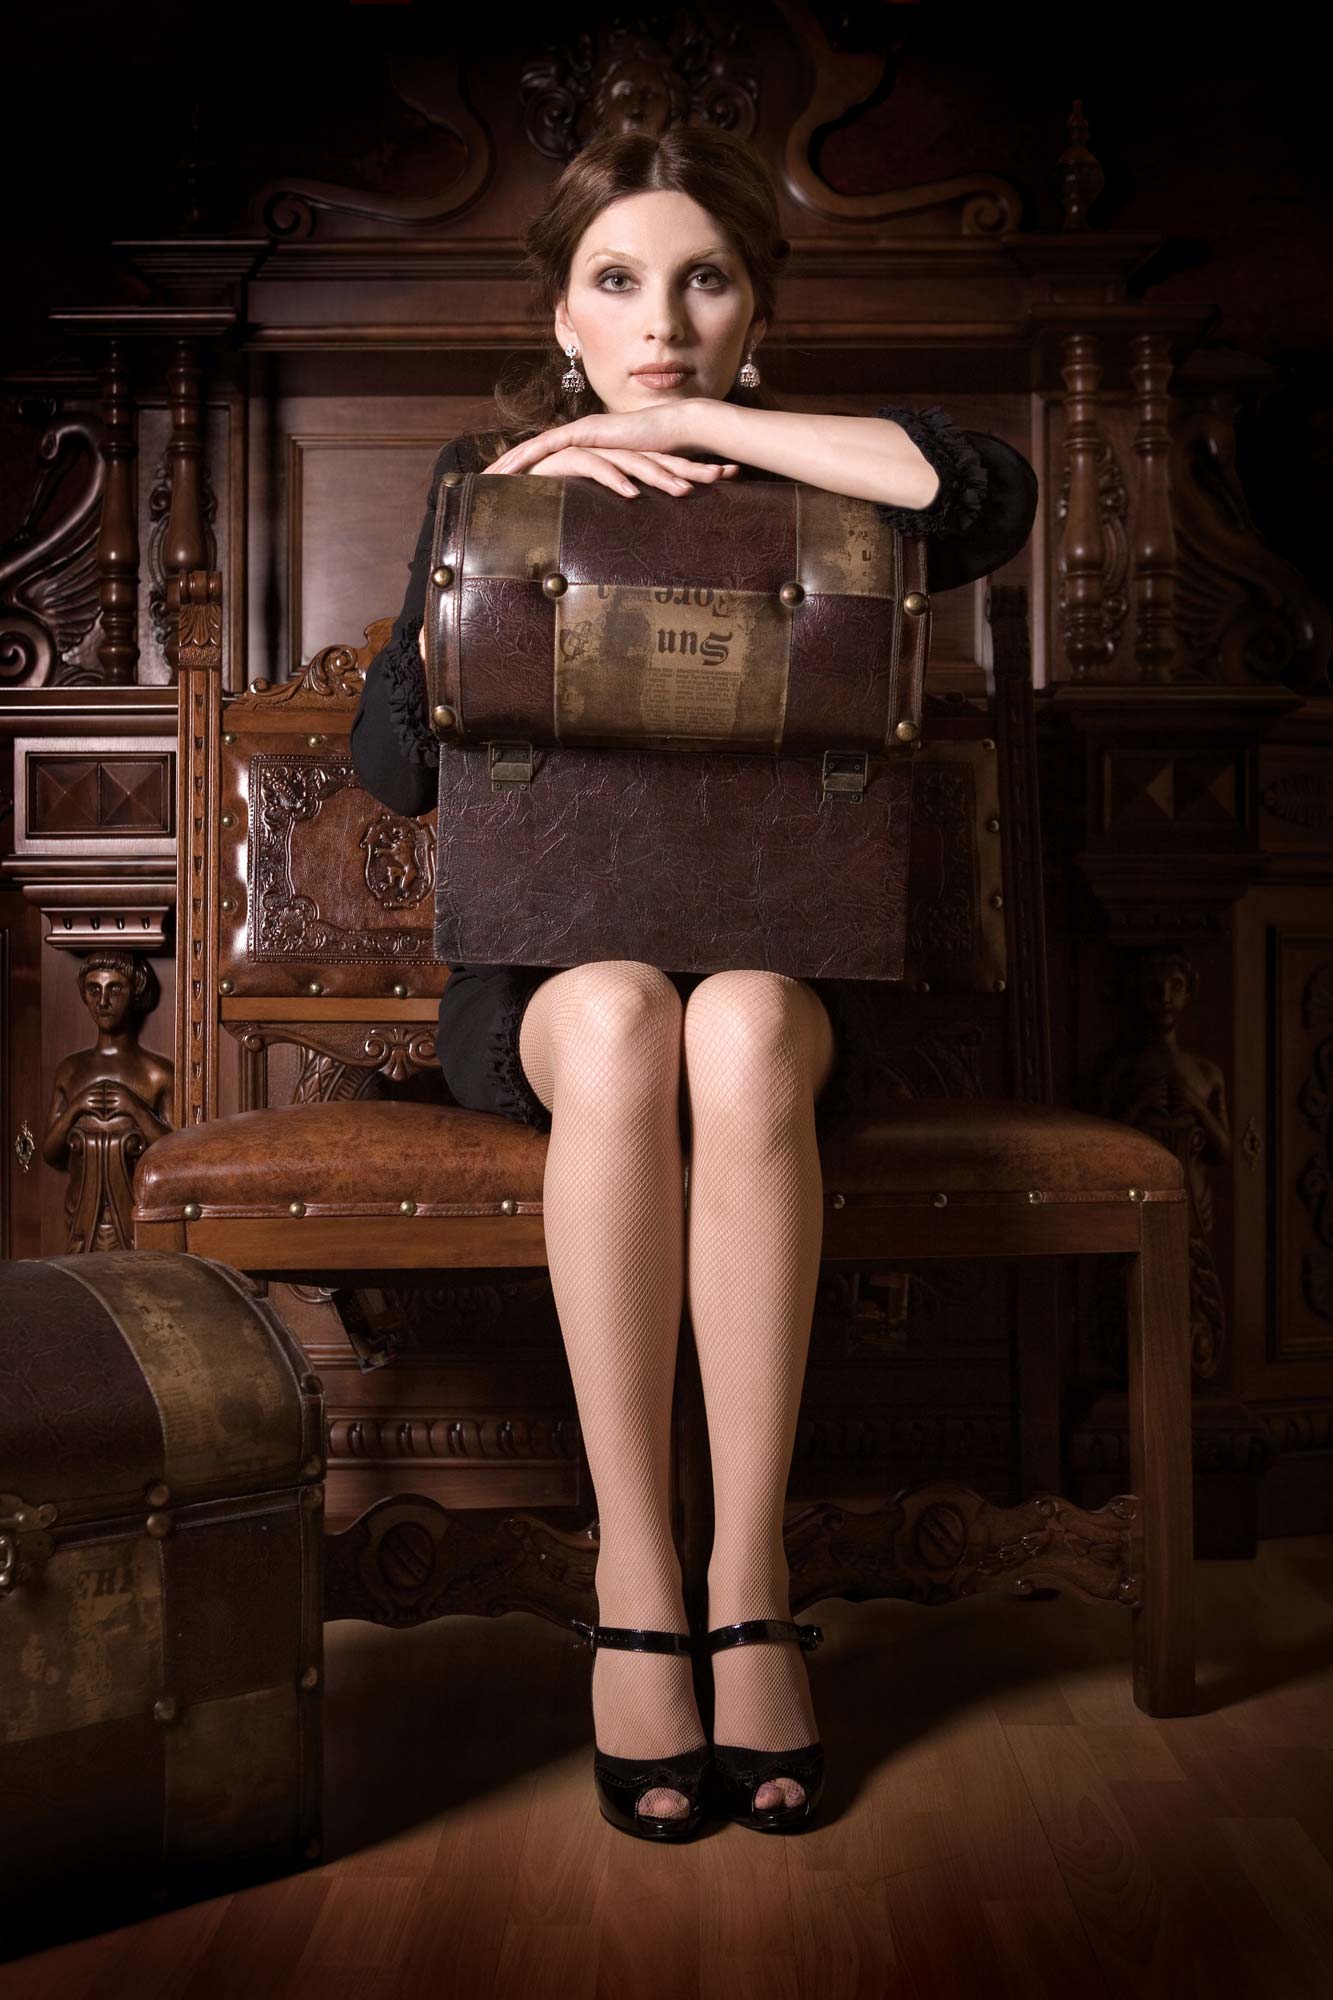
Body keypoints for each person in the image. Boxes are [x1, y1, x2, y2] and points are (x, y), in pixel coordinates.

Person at [350, 124, 1037, 1842]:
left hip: (779, 982)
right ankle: (636, 1578)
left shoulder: (829, 480)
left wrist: (694, 432)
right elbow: (394, 767)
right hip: (550, 989)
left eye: (704, 281)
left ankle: (748, 1578)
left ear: (754, 313)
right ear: (561, 313)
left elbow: (984, 493)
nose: (660, 322)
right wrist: (496, 541)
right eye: (618, 282)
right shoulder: (488, 476)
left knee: (726, 1020)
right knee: (624, 1013)